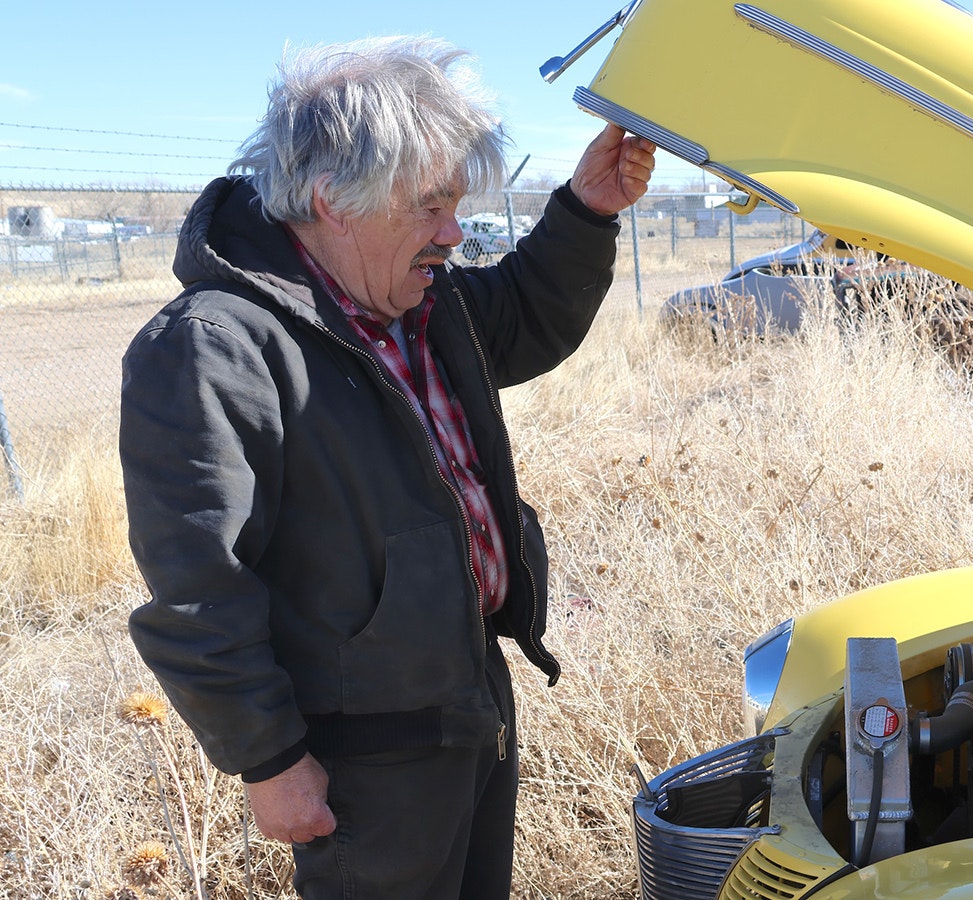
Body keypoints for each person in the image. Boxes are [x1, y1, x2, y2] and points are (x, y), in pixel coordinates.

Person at [119, 36, 655, 898]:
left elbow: (524, 312)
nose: (455, 233)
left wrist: (588, 209)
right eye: (432, 206)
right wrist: (270, 758)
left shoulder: (417, 301)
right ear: (335, 200)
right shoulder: (217, 347)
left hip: (466, 696)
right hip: (364, 753)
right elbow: (196, 583)